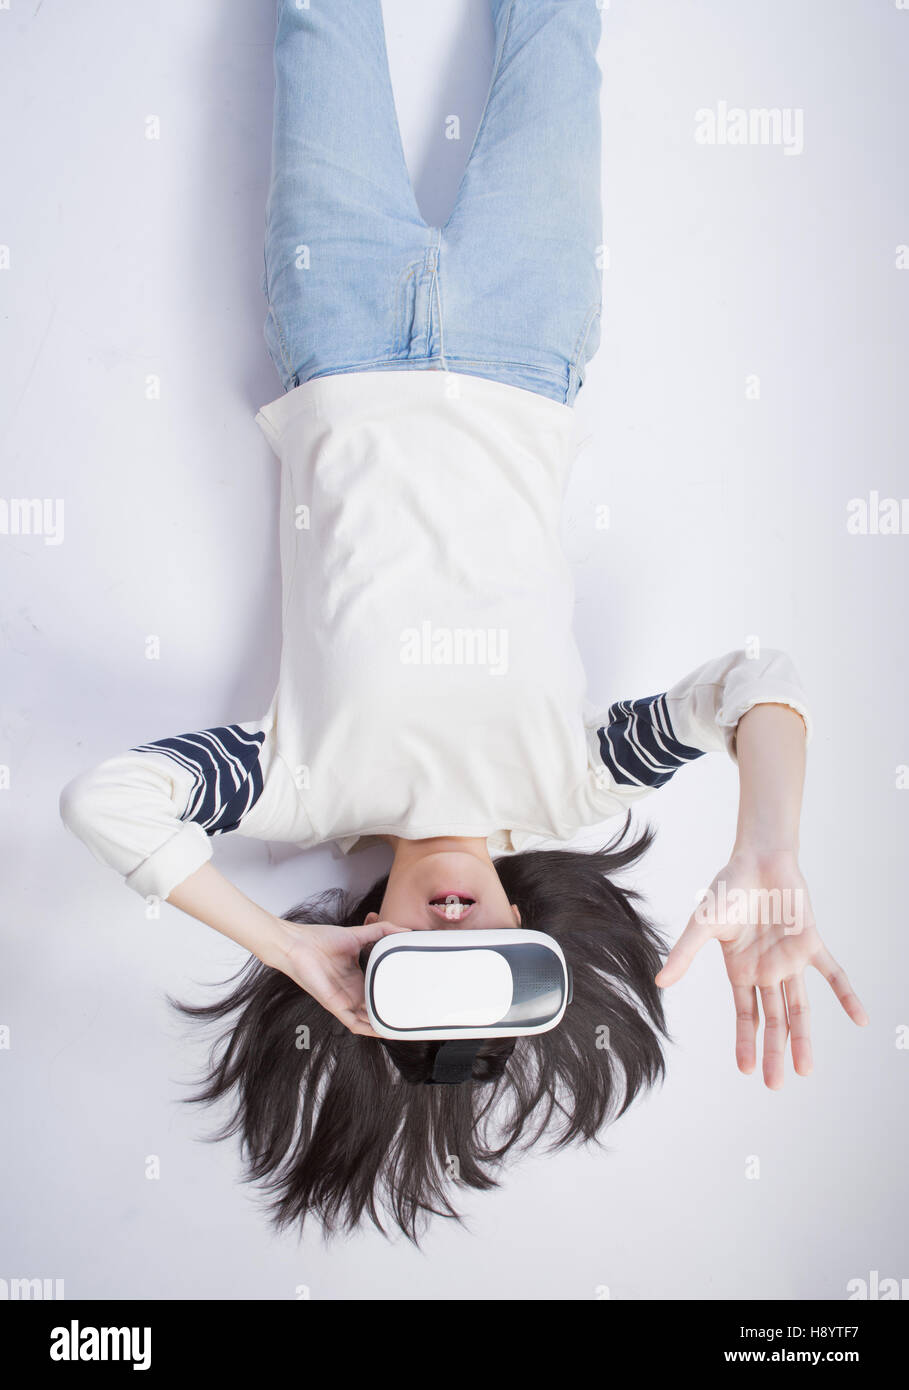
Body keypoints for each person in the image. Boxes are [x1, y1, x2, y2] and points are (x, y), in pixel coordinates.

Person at [58, 0, 866, 1242]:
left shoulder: (297, 791)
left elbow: (104, 803)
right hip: (526, 339)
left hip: (334, 332)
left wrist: (284, 950)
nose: (448, 925)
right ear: (526, 931)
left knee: (319, 17)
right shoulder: (570, 788)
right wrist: (769, 847)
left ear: (367, 946)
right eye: (482, 956)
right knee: (559, 27)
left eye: (408, 969)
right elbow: (762, 680)